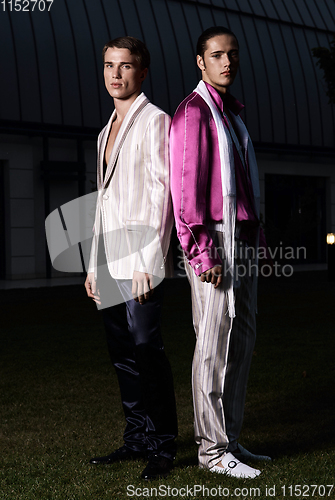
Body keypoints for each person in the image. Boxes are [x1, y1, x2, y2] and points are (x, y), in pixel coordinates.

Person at [170, 26, 271, 478]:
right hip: (213, 245)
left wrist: (257, 242)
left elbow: (243, 189)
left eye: (231, 54)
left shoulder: (230, 114)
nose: (226, 62)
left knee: (241, 343)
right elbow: (186, 191)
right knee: (212, 346)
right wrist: (201, 252)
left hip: (241, 242)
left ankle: (231, 438)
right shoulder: (194, 113)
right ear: (200, 62)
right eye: (216, 55)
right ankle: (211, 451)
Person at [84, 36, 177, 481]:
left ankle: (162, 446)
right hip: (108, 258)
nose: (115, 74)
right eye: (108, 66)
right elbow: (102, 200)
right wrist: (92, 263)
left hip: (141, 261)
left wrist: (150, 261)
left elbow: (163, 195)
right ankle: (136, 438)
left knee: (147, 351)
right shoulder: (105, 130)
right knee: (122, 353)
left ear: (142, 72)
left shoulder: (156, 121)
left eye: (125, 66)